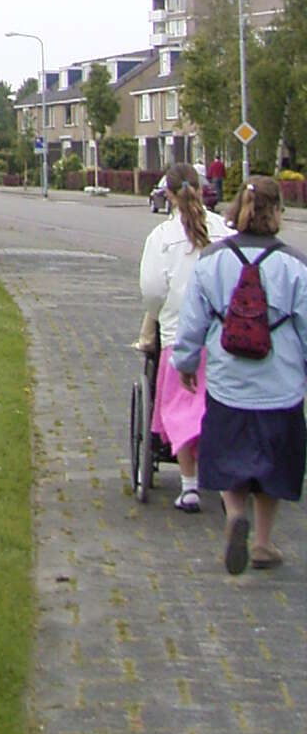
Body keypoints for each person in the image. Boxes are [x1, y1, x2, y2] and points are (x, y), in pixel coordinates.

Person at [172, 177, 307, 572]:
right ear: (277, 212)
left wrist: (185, 362)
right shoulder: (295, 265)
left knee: (230, 455)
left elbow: (192, 321)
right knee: (274, 463)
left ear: (235, 211)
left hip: (229, 384)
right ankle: (263, 543)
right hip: (280, 386)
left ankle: (234, 516)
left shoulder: (211, 261)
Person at [137, 165, 230, 511]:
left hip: (179, 334)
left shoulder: (162, 236)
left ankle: (189, 486)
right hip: (222, 338)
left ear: (170, 195)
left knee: (183, 407)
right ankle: (223, 483)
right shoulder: (224, 230)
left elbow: (152, 291)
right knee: (217, 407)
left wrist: (161, 313)